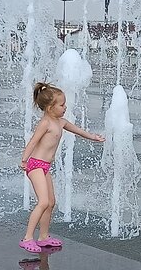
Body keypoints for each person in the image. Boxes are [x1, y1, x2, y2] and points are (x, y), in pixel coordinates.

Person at [19, 82, 104, 255]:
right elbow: (33, 142)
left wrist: (93, 137)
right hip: (35, 165)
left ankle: (43, 237)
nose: (65, 107)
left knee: (51, 203)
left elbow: (79, 131)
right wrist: (24, 160)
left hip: (45, 166)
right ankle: (27, 238)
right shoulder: (45, 123)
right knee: (43, 202)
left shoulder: (61, 122)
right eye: (62, 105)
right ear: (50, 107)